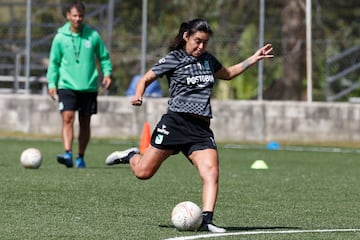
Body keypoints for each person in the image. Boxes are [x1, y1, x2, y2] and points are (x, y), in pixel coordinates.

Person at [105, 18, 273, 232]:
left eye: (205, 42)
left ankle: (207, 220)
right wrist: (139, 95)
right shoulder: (174, 58)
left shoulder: (208, 60)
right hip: (175, 123)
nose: (201, 46)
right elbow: (145, 79)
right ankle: (131, 155)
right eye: (197, 41)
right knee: (143, 173)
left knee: (211, 173)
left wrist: (254, 58)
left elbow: (228, 74)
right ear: (186, 37)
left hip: (200, 130)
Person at [47, 1, 112, 168]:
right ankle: (67, 153)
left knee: (85, 122)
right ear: (68, 16)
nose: (78, 19)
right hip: (66, 85)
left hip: (88, 86)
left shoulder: (93, 36)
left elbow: (103, 57)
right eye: (74, 15)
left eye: (80, 16)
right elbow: (54, 63)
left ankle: (80, 156)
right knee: (67, 118)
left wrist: (108, 74)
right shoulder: (60, 38)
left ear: (84, 16)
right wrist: (51, 83)